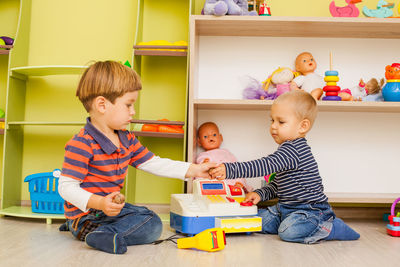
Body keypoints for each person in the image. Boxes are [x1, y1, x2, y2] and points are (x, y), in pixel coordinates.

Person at [58, 61, 217, 254]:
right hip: (87, 215)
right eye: (128, 105)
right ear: (102, 105)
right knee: (152, 225)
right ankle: (92, 231)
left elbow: (153, 163)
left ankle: (96, 232)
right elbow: (66, 187)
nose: (133, 112)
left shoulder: (127, 139)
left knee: (148, 216)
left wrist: (193, 169)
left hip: (107, 211)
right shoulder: (82, 143)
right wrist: (99, 203)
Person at [209, 90, 360, 244]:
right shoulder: (286, 149)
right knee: (254, 220)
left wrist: (230, 170)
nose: (274, 126)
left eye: (281, 122)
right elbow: (279, 185)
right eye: (272, 120)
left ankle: (331, 227)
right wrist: (261, 194)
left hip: (310, 211)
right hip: (285, 209)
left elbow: (264, 165)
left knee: (288, 232)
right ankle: (287, 222)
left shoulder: (293, 149)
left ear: (303, 126)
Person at [196, 122, 252, 193]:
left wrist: (239, 181)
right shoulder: (203, 155)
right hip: (217, 183)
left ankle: (239, 185)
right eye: (205, 136)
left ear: (221, 138)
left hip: (231, 180)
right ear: (199, 142)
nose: (210, 138)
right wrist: (204, 164)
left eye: (214, 135)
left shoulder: (226, 152)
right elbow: (200, 166)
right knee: (203, 177)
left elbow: (236, 166)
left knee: (238, 172)